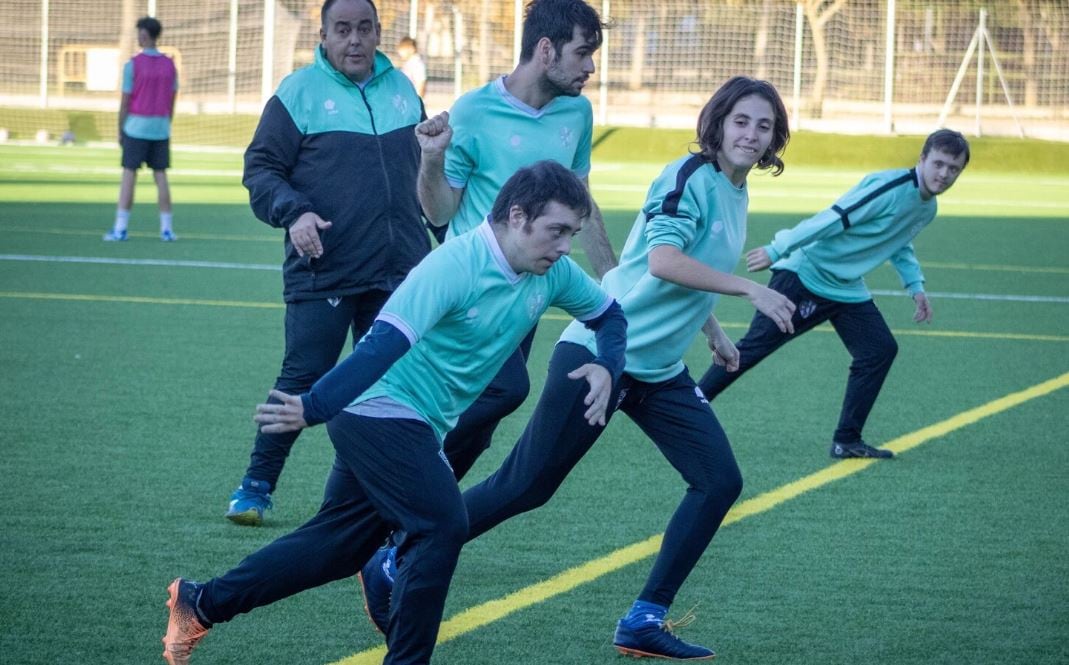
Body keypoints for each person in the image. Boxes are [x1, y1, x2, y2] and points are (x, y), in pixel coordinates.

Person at [361, 76, 797, 660]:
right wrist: (750, 292)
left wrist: (711, 329)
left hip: (659, 369)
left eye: (763, 125)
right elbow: (665, 262)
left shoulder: (736, 190)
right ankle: (394, 556)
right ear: (716, 125)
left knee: (720, 481)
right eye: (741, 121)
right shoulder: (687, 177)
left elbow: (668, 268)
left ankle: (645, 618)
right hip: (599, 353)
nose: (751, 134)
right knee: (525, 486)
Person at [160, 161, 627, 665]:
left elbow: (610, 315)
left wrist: (607, 363)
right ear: (517, 217)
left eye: (572, 235)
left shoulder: (552, 273)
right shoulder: (453, 266)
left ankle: (201, 602)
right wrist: (313, 406)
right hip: (377, 410)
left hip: (419, 421)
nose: (565, 247)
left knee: (338, 547)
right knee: (442, 525)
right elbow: (381, 344)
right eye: (557, 232)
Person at [223, 0, 430, 526]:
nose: (354, 40)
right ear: (323, 35)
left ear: (379, 32)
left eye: (364, 29)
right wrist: (295, 214)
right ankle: (256, 485)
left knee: (387, 387)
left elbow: (426, 174)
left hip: (399, 271)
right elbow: (261, 170)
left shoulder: (404, 89)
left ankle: (358, 501)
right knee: (303, 376)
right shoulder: (298, 93)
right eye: (343, 30)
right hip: (325, 268)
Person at [417, 0, 618, 487]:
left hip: (525, 294)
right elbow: (439, 213)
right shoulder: (474, 111)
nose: (591, 66)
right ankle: (400, 500)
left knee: (478, 427)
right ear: (546, 50)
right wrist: (431, 162)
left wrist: (615, 279)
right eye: (583, 52)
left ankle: (406, 522)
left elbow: (580, 207)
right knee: (504, 389)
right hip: (470, 289)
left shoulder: (578, 111)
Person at [696, 128, 971, 460]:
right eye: (939, 164)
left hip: (845, 286)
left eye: (953, 169)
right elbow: (834, 218)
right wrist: (777, 248)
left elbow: (899, 242)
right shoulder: (891, 187)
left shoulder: (928, 208)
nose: (944, 174)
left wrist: (916, 287)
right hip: (806, 274)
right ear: (922, 159)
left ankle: (847, 440)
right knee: (753, 349)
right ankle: (688, 408)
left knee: (879, 350)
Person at [103, 16, 178, 242]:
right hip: (161, 127)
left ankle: (120, 228)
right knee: (161, 176)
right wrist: (166, 123)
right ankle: (166, 229)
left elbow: (125, 101)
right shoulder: (170, 64)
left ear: (144, 35)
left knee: (128, 175)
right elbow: (172, 100)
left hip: (136, 127)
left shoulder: (132, 65)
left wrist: (120, 129)